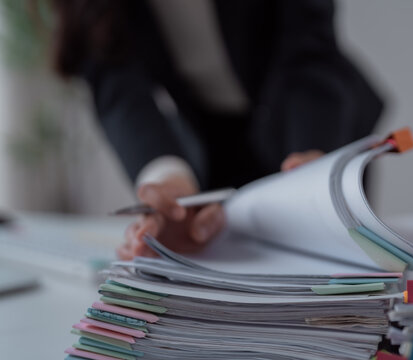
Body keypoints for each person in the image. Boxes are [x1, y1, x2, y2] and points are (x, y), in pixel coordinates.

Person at [52, 0, 384, 259]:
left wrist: (313, 153)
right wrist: (168, 180)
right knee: (226, 263)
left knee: (334, 273)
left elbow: (309, 48)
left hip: (317, 125)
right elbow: (115, 82)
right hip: (217, 138)